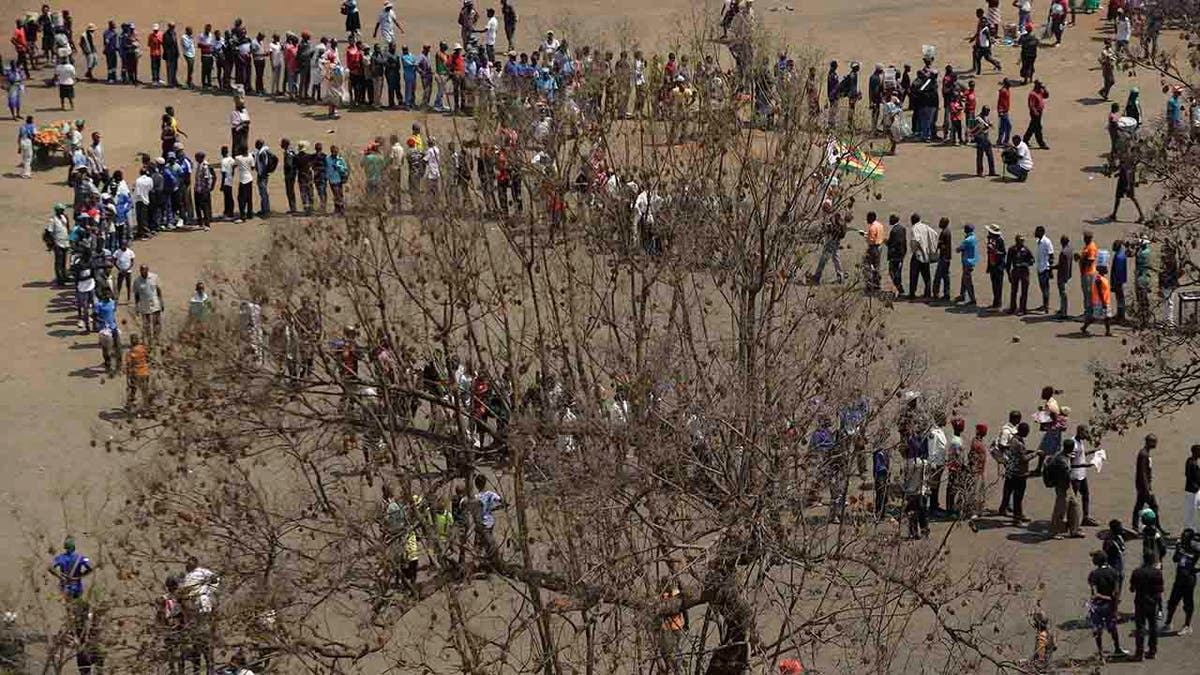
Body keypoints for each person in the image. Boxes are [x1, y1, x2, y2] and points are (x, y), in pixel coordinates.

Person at [1087, 550, 1128, 662]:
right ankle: (1117, 648)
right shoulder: (1114, 572)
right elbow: (1116, 592)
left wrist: (1100, 597)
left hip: (1098, 605)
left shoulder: (1093, 574)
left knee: (1098, 629)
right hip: (1110, 605)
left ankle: (1100, 653)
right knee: (1112, 627)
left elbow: (1094, 593)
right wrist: (1114, 605)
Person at [1163, 528, 1199, 635]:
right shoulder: (1180, 547)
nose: (1183, 539)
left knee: (1188, 604)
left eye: (1185, 538)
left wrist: (1192, 570)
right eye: (1182, 536)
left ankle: (1187, 626)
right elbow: (1175, 559)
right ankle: (1168, 623)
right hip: (1178, 579)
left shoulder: (1196, 550)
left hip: (1189, 581)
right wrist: (1178, 550)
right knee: (1172, 602)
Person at [1130, 549, 1163, 660]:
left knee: (1140, 627)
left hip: (1140, 601)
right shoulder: (1158, 573)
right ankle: (1152, 651)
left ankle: (1139, 653)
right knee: (1153, 627)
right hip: (1153, 603)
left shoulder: (1137, 572)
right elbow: (1160, 591)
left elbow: (1132, 589)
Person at [1133, 434, 1166, 536]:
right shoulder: (1144, 455)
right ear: (1149, 442)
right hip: (1144, 487)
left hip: (1144, 486)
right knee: (1153, 506)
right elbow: (1142, 473)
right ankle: (1157, 527)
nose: (1156, 444)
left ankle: (1135, 526)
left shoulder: (1145, 453)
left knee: (1139, 506)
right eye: (1154, 442)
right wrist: (1147, 489)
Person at [1003, 422, 1035, 526]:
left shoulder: (1014, 440)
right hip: (1019, 473)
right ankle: (1016, 519)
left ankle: (1019, 515)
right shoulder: (1019, 443)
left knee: (1014, 494)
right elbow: (1023, 459)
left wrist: (1028, 451)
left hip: (1012, 470)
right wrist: (1035, 454)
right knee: (1018, 497)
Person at [902, 441, 930, 540]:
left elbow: (905, 478)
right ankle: (925, 531)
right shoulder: (924, 463)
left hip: (911, 491)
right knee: (923, 513)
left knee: (912, 514)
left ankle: (913, 532)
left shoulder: (908, 464)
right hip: (922, 491)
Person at [907, 214, 937, 300]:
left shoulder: (915, 228)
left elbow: (915, 240)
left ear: (912, 220)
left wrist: (914, 250)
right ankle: (927, 293)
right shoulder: (925, 226)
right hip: (926, 254)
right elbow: (934, 234)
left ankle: (912, 294)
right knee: (926, 275)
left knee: (913, 275)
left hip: (918, 255)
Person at [133, 264, 164, 345]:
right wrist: (136, 306)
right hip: (144, 304)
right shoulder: (137, 281)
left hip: (155, 302)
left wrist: (161, 302)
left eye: (145, 270)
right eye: (141, 270)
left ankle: (157, 339)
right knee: (146, 323)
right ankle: (149, 340)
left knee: (157, 322)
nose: (143, 272)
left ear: (147, 270)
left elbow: (159, 290)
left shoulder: (154, 277)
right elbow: (136, 295)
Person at [1109, 155, 1144, 223]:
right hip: (1128, 182)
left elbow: (1126, 173)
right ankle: (1141, 215)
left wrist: (1127, 186)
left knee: (1120, 198)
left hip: (1124, 183)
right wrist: (1119, 174)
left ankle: (1141, 215)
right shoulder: (1130, 164)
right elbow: (1127, 172)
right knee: (1128, 198)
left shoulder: (1124, 163)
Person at [1081, 262, 1112, 336]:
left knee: (1107, 317)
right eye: (1105, 268)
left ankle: (1107, 332)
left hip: (1104, 300)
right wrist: (1103, 302)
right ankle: (1084, 327)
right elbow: (1100, 292)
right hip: (1100, 301)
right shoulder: (1099, 279)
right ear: (1101, 269)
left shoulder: (1103, 278)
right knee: (1096, 317)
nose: (1107, 269)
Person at [1005, 233, 1034, 314]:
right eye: (1020, 240)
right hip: (1015, 272)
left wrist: (1026, 264)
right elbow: (1008, 263)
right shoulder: (1012, 249)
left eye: (1022, 241)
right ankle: (1012, 308)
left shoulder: (1026, 250)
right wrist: (1008, 275)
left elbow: (1032, 260)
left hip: (1024, 272)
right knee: (1014, 291)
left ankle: (1022, 309)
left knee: (1024, 291)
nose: (1022, 242)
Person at [126, 333, 151, 413]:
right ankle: (147, 407)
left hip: (136, 374)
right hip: (145, 372)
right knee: (145, 391)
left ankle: (129, 405)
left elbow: (128, 365)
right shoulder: (143, 348)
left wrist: (128, 377)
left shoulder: (130, 353)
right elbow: (148, 358)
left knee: (133, 389)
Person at [971, 105, 997, 177]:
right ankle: (979, 172)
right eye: (987, 111)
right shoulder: (978, 118)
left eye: (988, 111)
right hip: (980, 138)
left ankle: (992, 171)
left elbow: (988, 124)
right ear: (983, 111)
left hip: (985, 137)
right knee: (980, 155)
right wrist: (988, 125)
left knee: (990, 155)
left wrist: (990, 124)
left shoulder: (986, 117)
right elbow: (983, 126)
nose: (988, 113)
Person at [984, 224, 1006, 308]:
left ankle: (998, 303)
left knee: (998, 286)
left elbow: (1003, 253)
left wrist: (995, 251)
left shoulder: (1000, 240)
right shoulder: (990, 239)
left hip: (998, 267)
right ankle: (995, 302)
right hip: (992, 265)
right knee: (994, 285)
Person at [955, 223, 978, 305]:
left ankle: (972, 299)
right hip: (971, 261)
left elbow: (959, 249)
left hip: (967, 262)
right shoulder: (973, 237)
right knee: (964, 279)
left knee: (967, 281)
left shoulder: (967, 240)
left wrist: (957, 249)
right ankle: (962, 295)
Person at [1076, 230, 1097, 317]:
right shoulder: (1087, 246)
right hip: (1086, 272)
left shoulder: (1091, 247)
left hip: (1088, 273)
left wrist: (1083, 266)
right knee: (1086, 293)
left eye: (1085, 237)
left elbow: (1090, 260)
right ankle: (1087, 311)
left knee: (1088, 293)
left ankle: (1089, 312)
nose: (1084, 239)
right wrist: (1080, 258)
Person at [931, 218, 953, 300]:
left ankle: (935, 293)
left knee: (938, 276)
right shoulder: (947, 231)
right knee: (946, 277)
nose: (939, 224)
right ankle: (947, 294)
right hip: (947, 257)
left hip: (943, 258)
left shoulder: (944, 233)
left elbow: (941, 245)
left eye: (941, 222)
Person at [1024, 81, 1049, 149]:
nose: (1040, 87)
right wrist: (1035, 112)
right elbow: (1031, 105)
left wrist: (1044, 88)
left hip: (1039, 113)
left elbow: (1046, 96)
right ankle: (1041, 143)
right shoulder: (1032, 94)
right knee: (1038, 128)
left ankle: (1025, 141)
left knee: (1032, 128)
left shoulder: (1040, 91)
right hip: (1035, 113)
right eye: (1039, 85)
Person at [885, 214, 906, 295]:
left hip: (894, 256)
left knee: (893, 272)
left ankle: (899, 287)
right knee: (898, 272)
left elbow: (893, 243)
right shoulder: (902, 229)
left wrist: (886, 242)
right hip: (901, 255)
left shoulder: (894, 231)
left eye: (890, 219)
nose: (889, 221)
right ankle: (898, 287)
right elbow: (903, 242)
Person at [254, 139, 275, 217]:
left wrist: (261, 173)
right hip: (263, 175)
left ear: (260, 144)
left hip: (262, 176)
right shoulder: (262, 152)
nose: (255, 145)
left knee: (263, 193)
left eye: (256, 144)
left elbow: (264, 164)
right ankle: (264, 209)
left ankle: (266, 210)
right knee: (262, 193)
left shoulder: (262, 153)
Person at [326, 144, 349, 214]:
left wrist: (341, 170)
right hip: (332, 179)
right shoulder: (328, 160)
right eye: (334, 152)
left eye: (336, 152)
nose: (335, 153)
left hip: (340, 179)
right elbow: (327, 169)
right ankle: (338, 209)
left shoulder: (340, 159)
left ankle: (340, 209)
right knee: (336, 194)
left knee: (340, 194)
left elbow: (345, 168)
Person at [1111, 240, 1128, 321]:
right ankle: (1120, 314)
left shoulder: (1119, 257)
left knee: (1120, 298)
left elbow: (1118, 272)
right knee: (1120, 299)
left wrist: (1115, 284)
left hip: (1119, 282)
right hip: (1120, 281)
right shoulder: (1121, 254)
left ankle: (1121, 316)